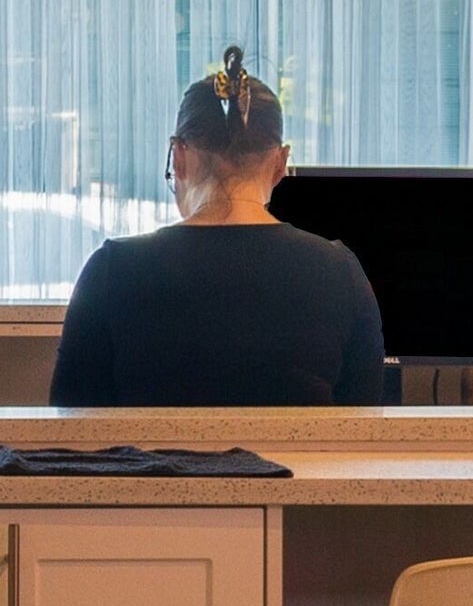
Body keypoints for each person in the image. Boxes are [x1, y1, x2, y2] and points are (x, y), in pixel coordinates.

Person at [48, 49, 388, 407]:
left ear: (178, 156)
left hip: (148, 464)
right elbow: (361, 428)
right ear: (281, 163)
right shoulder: (339, 271)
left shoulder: (111, 269)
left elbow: (72, 428)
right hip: (299, 466)